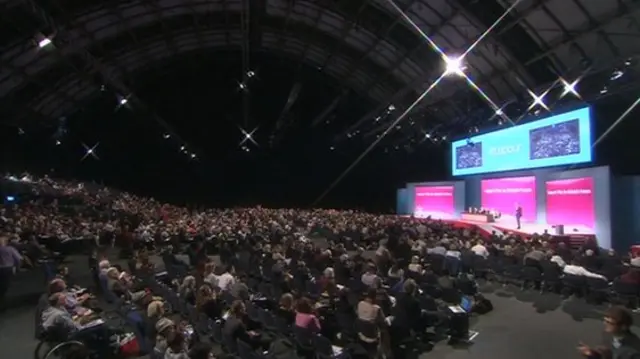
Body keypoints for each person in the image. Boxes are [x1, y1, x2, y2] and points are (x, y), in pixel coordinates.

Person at [0, 236, 22, 309]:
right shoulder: (10, 249)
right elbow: (18, 259)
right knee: (4, 285)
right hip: (8, 269)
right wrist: (17, 268)